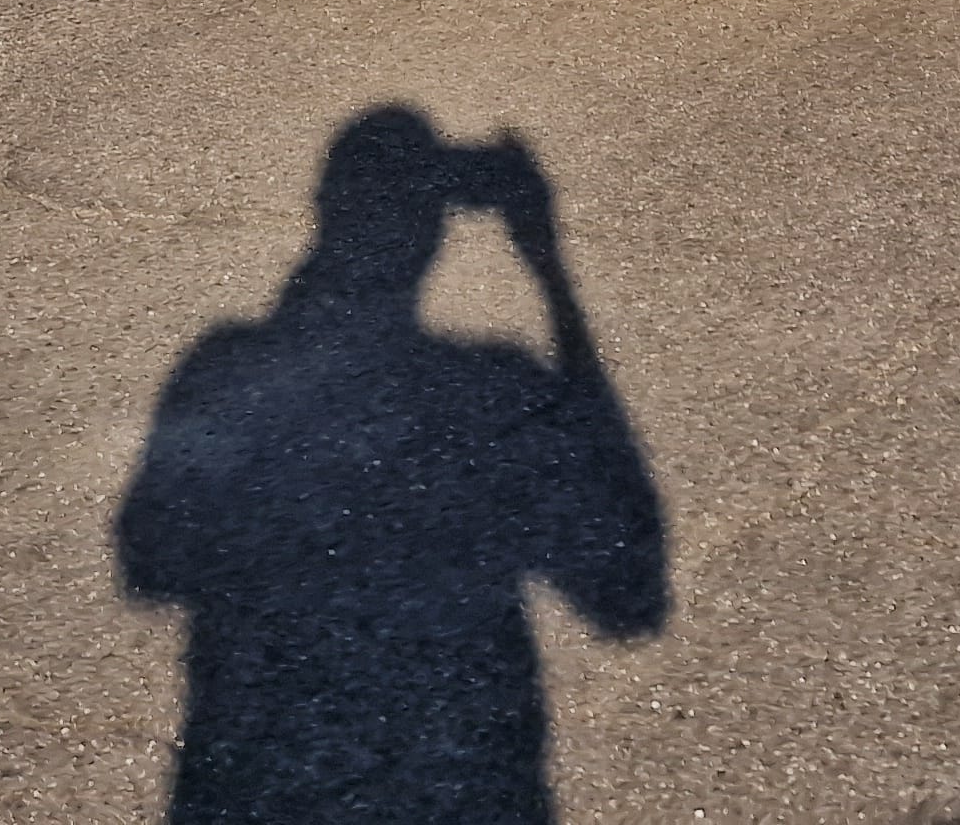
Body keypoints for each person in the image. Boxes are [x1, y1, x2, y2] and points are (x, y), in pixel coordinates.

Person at [115, 108, 668, 824]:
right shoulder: (498, 384)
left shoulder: (224, 366)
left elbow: (150, 562)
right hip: (463, 781)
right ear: (437, 231)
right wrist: (546, 262)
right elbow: (628, 597)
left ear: (324, 211)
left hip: (253, 779)